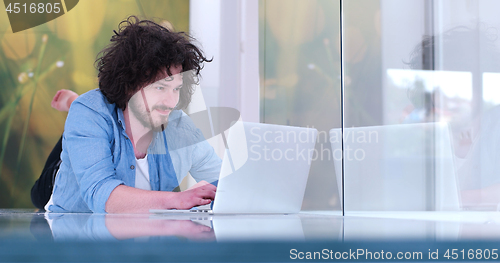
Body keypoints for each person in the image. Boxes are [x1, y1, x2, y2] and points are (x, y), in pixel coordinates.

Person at [38, 16, 220, 213]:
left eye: (176, 89)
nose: (171, 102)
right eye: (160, 88)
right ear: (129, 84)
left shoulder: (181, 126)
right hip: (68, 211)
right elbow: (102, 194)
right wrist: (178, 199)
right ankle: (74, 104)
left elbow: (225, 183)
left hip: (135, 236)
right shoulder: (90, 112)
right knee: (40, 190)